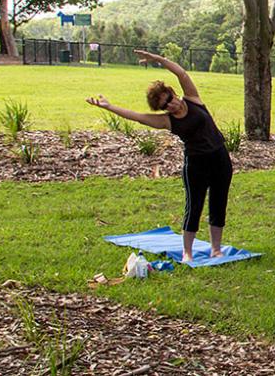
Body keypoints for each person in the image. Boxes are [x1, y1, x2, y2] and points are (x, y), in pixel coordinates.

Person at [86, 50, 231, 263]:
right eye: (165, 105)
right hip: (197, 164)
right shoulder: (167, 121)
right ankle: (187, 252)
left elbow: (181, 73)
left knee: (219, 202)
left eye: (170, 99)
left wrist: (158, 60)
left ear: (173, 93)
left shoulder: (192, 98)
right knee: (194, 206)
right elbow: (138, 117)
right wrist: (110, 107)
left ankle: (216, 249)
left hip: (219, 156)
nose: (171, 105)